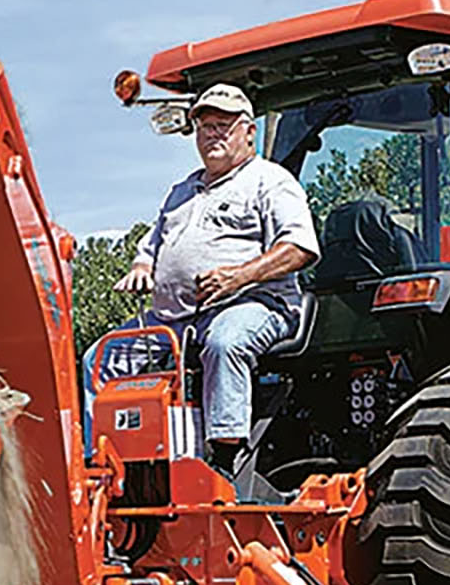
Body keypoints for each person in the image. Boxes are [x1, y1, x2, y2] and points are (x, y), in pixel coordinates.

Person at [111, 83, 318, 475]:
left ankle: (223, 459)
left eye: (224, 125)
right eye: (206, 126)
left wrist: (238, 278)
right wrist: (141, 268)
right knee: (102, 360)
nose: (213, 134)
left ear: (248, 131)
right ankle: (99, 459)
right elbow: (151, 246)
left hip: (253, 304)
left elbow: (298, 247)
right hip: (174, 318)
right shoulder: (181, 192)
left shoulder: (269, 181)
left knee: (225, 341)